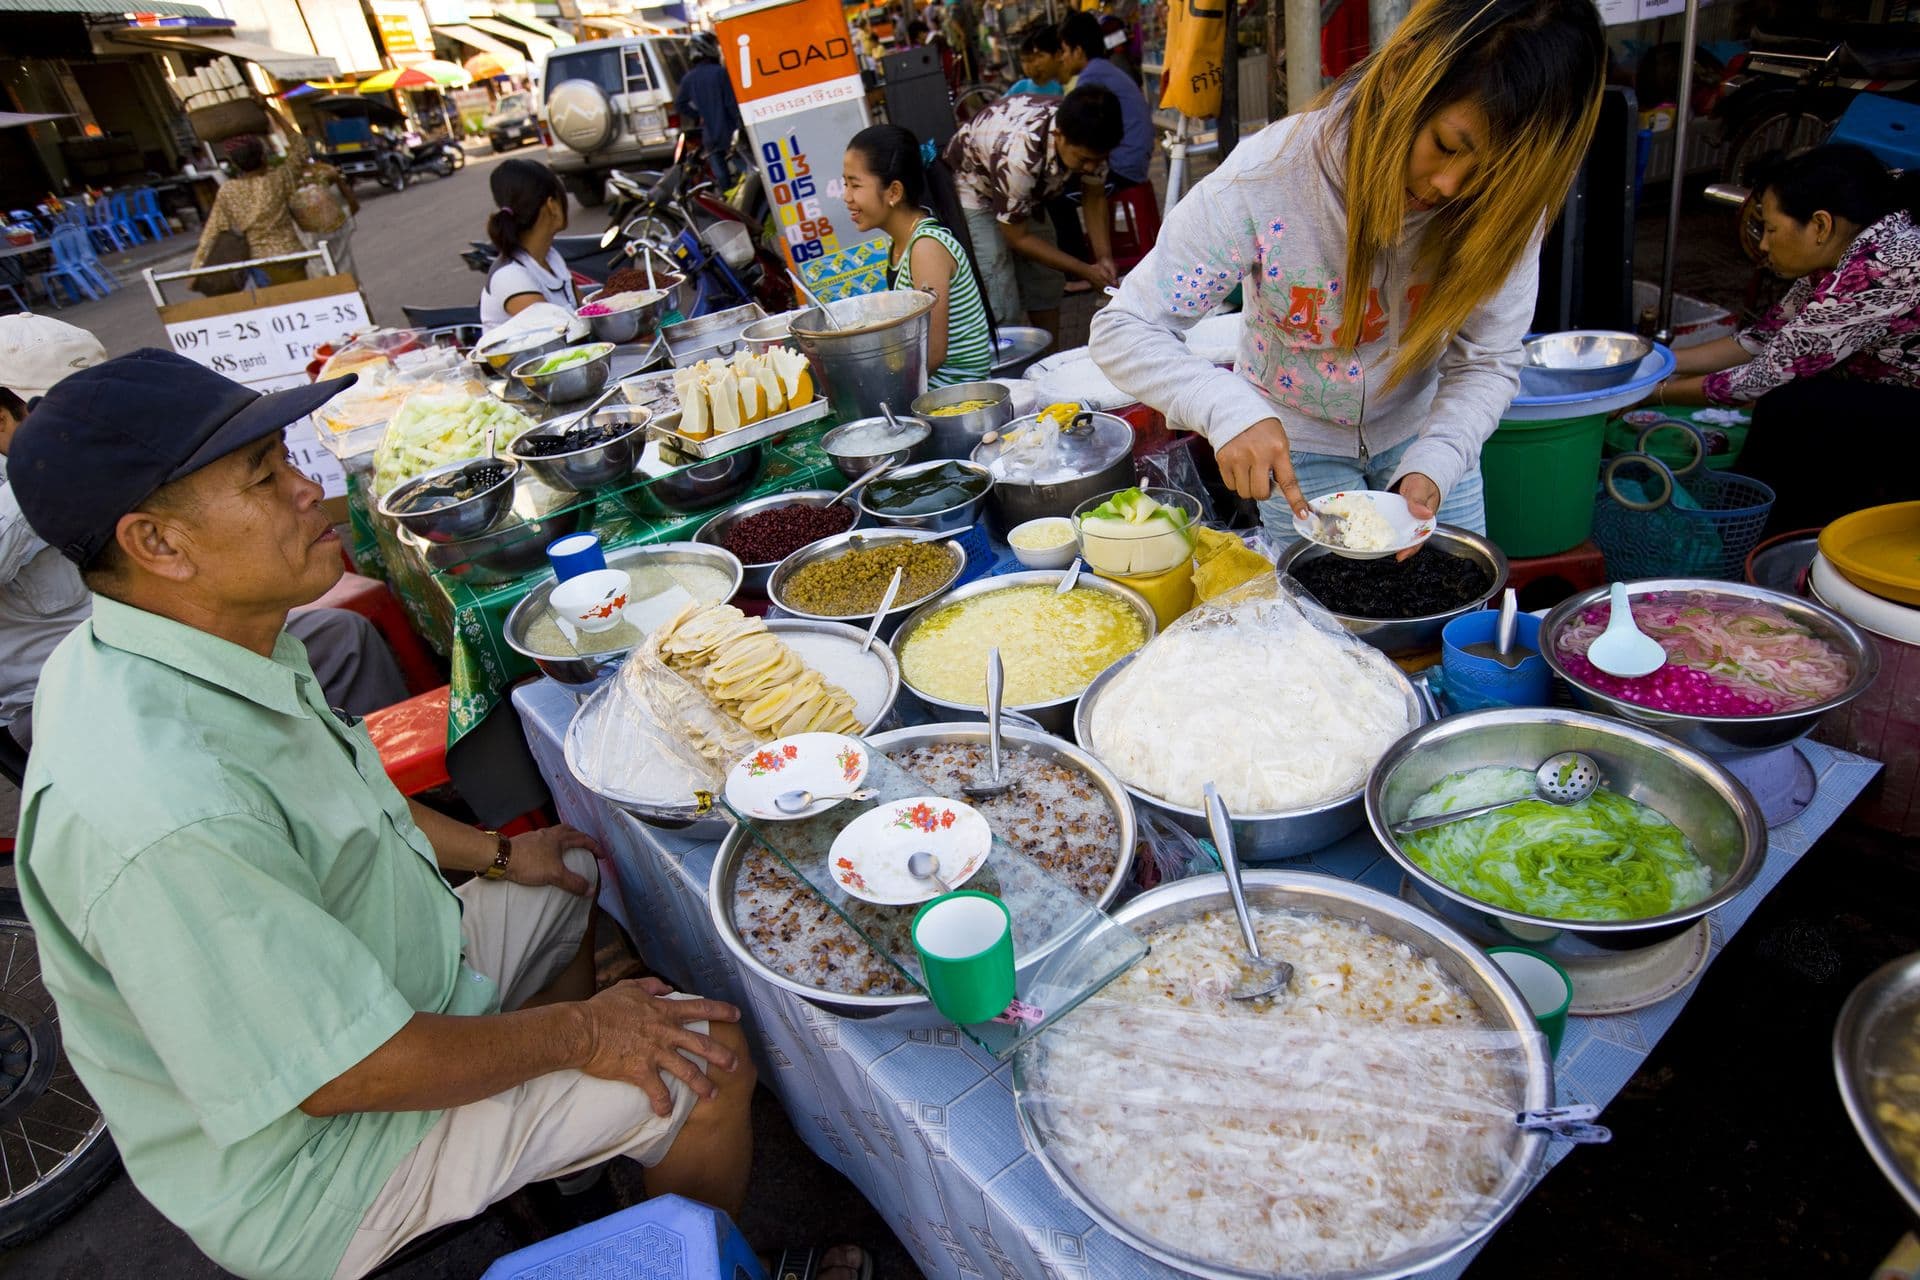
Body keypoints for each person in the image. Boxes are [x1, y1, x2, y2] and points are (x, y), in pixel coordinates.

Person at [9, 349, 765, 1280]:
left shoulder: (190, 639)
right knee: (707, 1061)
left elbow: (346, 792)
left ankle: (571, 1160)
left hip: (391, 977)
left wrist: (501, 855)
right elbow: (346, 1073)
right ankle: (690, 1247)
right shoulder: (164, 809)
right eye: (265, 477)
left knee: (565, 873)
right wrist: (586, 1033)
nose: (308, 489)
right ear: (157, 544)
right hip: (324, 1157)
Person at [1092, 0, 1606, 544]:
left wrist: (1437, 460)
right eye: (1446, 145)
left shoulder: (1508, 207)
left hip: (1427, 435)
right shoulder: (1268, 178)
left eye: (1491, 173)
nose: (1450, 185)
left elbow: (1488, 358)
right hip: (1295, 445)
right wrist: (1226, 408)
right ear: (1403, 72)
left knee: (1457, 596)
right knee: (1317, 602)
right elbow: (1126, 326)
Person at [0, 316, 407, 751]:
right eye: (56, 413)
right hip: (72, 697)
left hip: (192, 639)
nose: (312, 490)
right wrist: (57, 487)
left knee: (342, 638)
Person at [1653, 144, 1920, 529]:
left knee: (1791, 405)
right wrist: (1656, 362)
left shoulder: (1879, 268)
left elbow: (1761, 377)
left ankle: (1768, 537)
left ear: (1820, 226)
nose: (1763, 245)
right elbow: (1765, 337)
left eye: (1771, 229)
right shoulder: (1852, 241)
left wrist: (1651, 393)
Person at [945, 85, 1123, 342]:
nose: (1090, 167)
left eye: (1098, 159)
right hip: (974, 187)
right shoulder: (1020, 155)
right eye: (1083, 159)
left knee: (1046, 278)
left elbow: (1094, 197)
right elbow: (1017, 237)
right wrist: (1085, 270)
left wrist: (1104, 257)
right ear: (1059, 136)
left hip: (1024, 187)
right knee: (998, 283)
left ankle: (1049, 356)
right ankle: (1010, 357)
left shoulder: (1091, 133)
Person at [843, 124, 994, 385]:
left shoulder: (926, 247)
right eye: (845, 184)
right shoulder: (900, 245)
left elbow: (930, 354)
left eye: (855, 185)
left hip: (955, 398)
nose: (846, 196)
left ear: (894, 192)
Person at [192, 134, 356, 287]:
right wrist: (275, 115)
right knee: (301, 298)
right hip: (290, 256)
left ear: (234, 164)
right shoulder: (278, 179)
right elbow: (301, 150)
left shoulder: (228, 191)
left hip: (259, 263)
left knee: (276, 302)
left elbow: (211, 231)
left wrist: (196, 269)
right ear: (264, 157)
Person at [1057, 11, 1150, 189]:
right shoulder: (1104, 69)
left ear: (1078, 51)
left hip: (1123, 166)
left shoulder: (1090, 78)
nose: (1063, 58)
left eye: (1065, 51)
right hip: (1135, 160)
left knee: (1063, 189)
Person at [480, 159, 578, 325]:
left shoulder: (551, 258)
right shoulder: (510, 276)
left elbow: (585, 309)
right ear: (552, 206)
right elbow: (560, 329)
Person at [675, 34, 744, 190]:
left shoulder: (689, 78)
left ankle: (726, 199)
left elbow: (680, 104)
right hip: (730, 131)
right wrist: (741, 124)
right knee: (744, 169)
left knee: (722, 176)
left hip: (710, 136)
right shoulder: (721, 73)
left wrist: (698, 115)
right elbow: (732, 104)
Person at [1006, 24, 1066, 96]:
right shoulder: (1020, 86)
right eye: (1023, 61)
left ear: (1058, 55)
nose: (1026, 66)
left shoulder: (1060, 87)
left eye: (1030, 60)